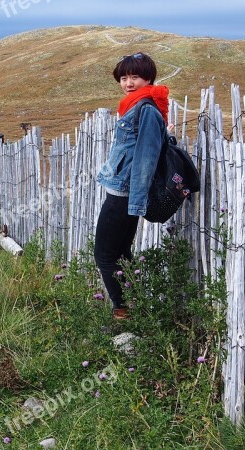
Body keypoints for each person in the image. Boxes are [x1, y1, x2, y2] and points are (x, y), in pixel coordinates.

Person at [94, 52, 169, 320]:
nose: (128, 82)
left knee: (104, 256)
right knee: (121, 254)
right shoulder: (135, 105)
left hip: (123, 194)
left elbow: (147, 157)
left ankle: (122, 312)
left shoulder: (146, 109)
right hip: (122, 190)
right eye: (124, 77)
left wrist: (136, 203)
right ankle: (134, 305)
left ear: (148, 78)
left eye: (134, 76)